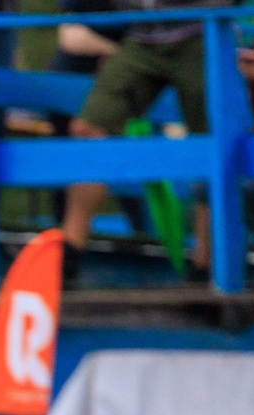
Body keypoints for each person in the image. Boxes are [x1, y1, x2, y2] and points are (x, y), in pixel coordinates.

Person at [61, 0, 231, 275]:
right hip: (142, 33)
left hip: (202, 26)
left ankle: (207, 264)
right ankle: (69, 253)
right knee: (91, 127)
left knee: (212, 141)